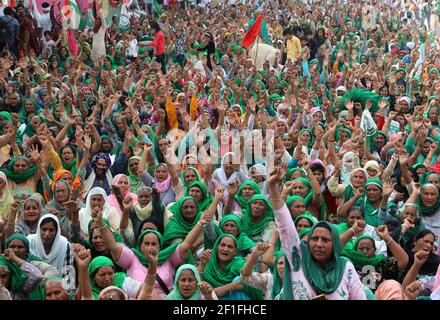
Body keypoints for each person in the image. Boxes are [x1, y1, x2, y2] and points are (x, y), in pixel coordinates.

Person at [268, 165, 366, 300]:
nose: (319, 244)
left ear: (335, 244)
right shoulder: (298, 258)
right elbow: (285, 224)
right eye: (314, 239)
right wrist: (273, 186)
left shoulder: (345, 267)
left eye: (325, 240)